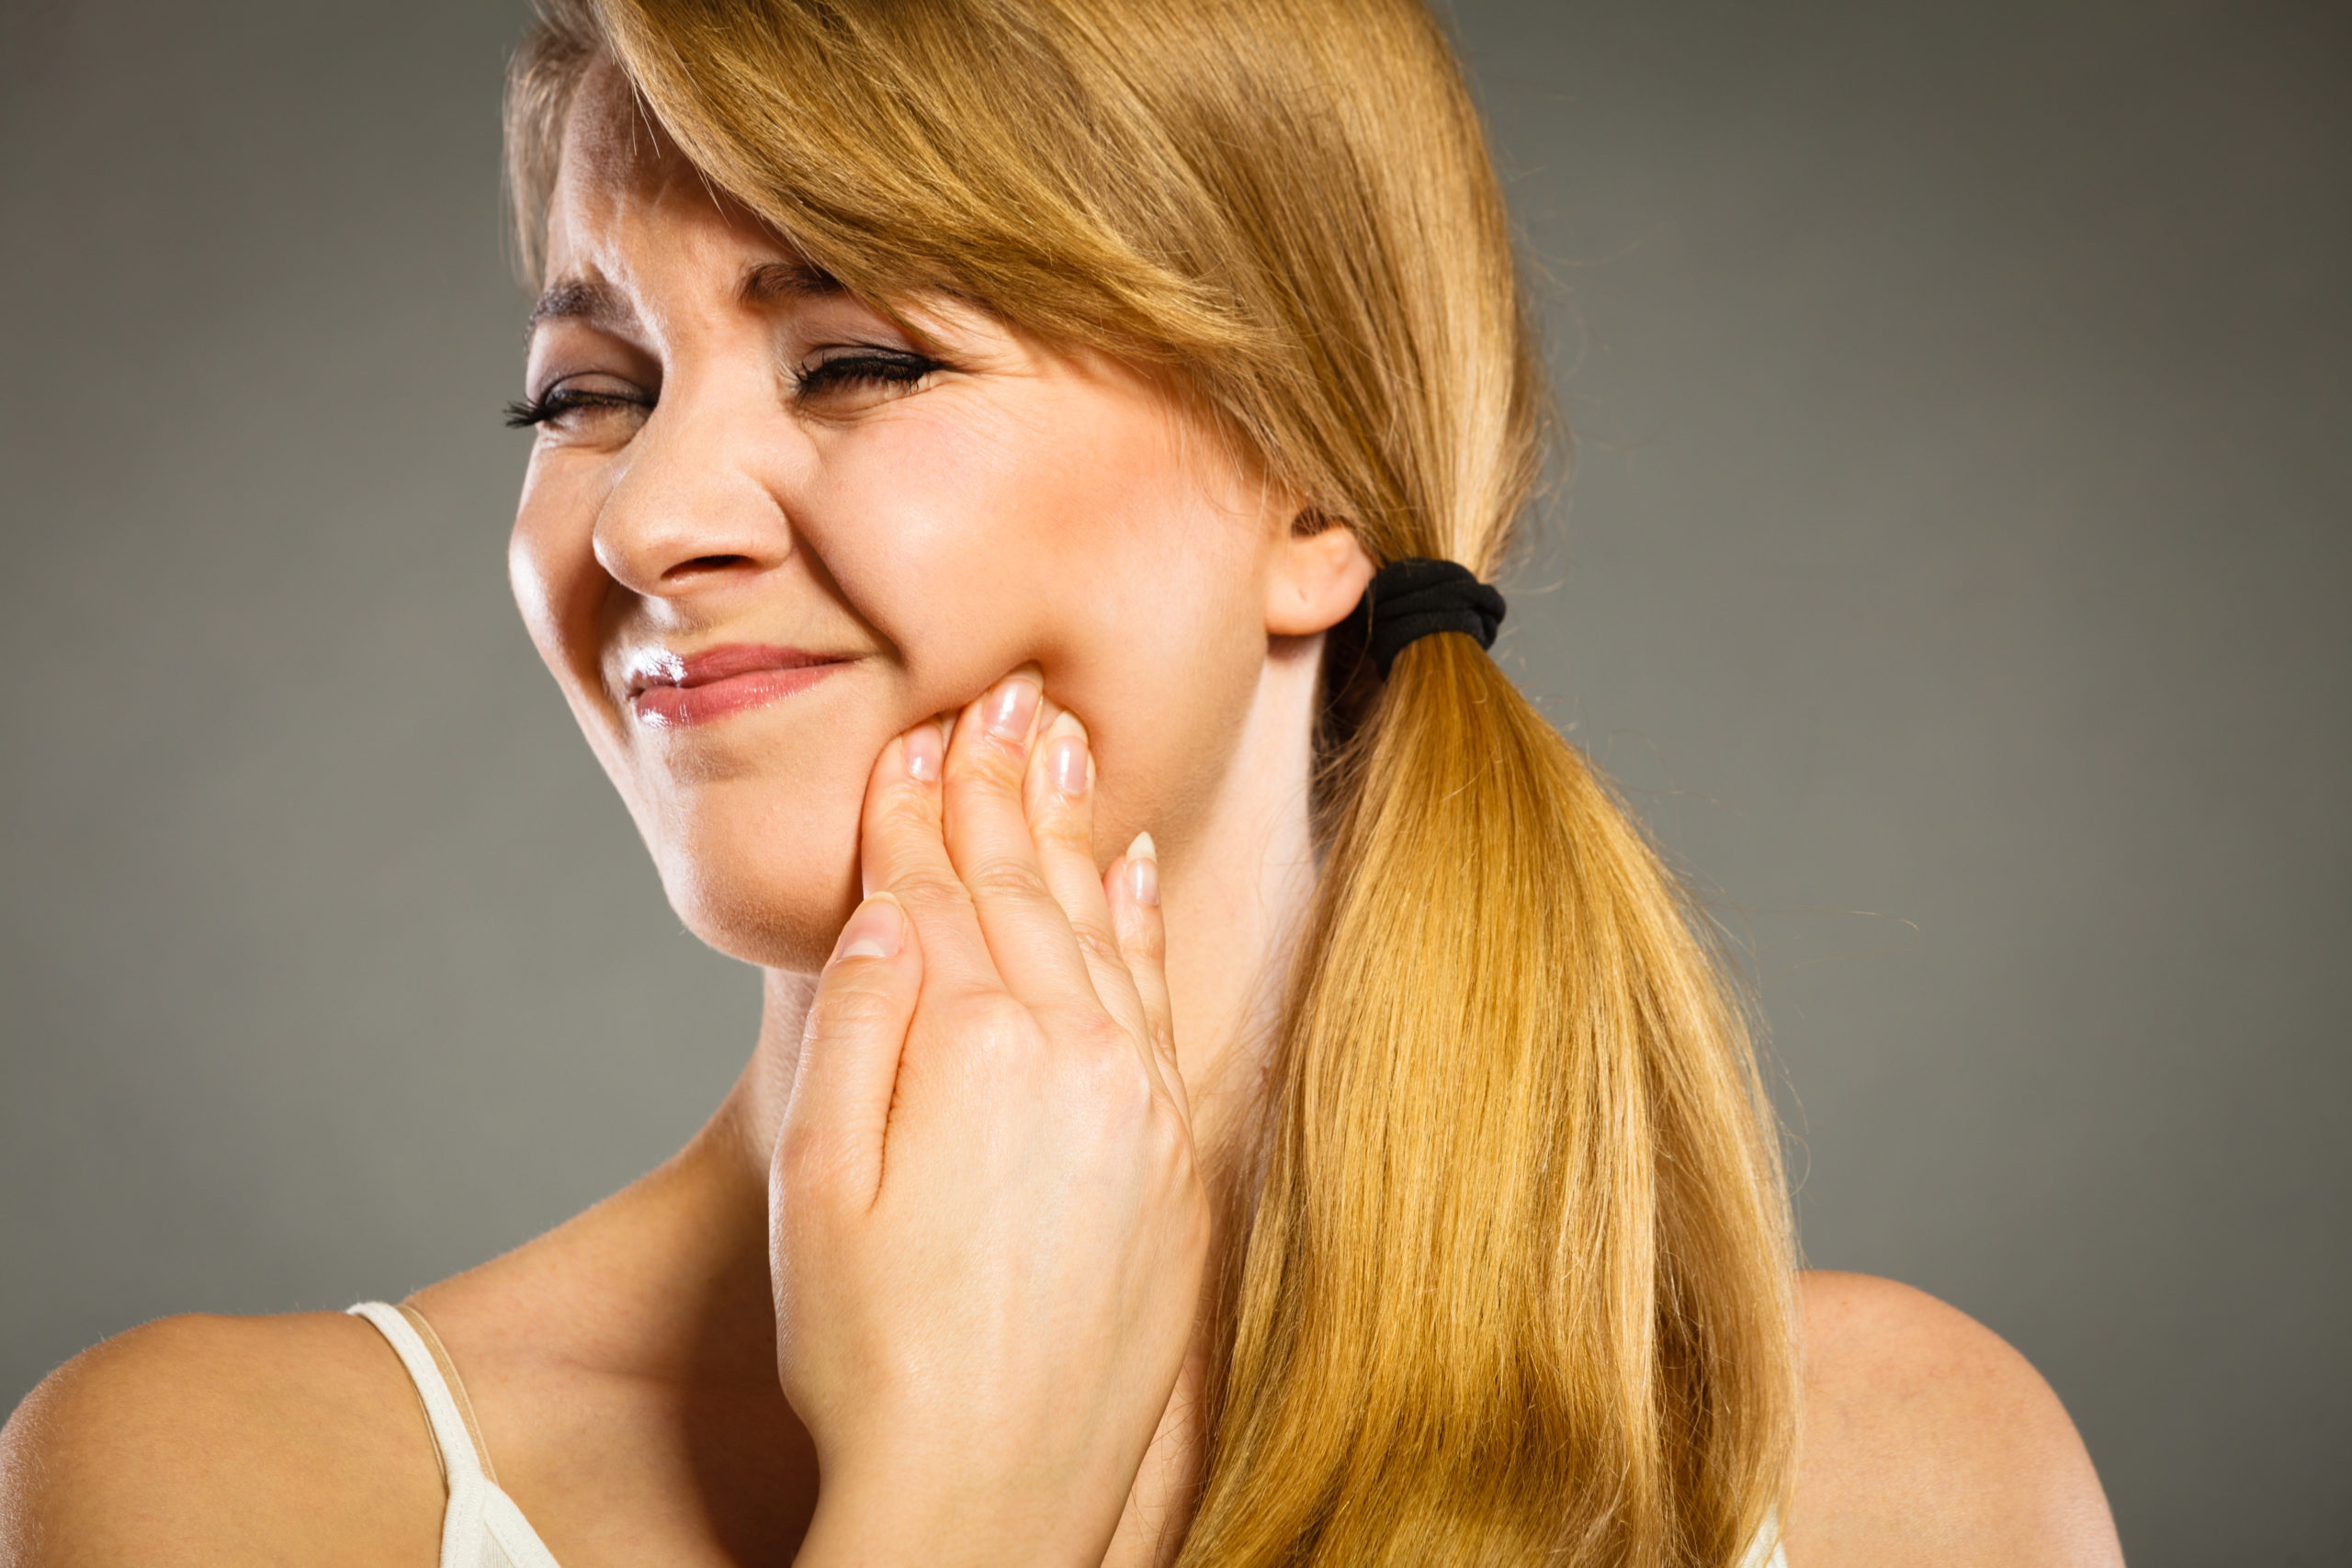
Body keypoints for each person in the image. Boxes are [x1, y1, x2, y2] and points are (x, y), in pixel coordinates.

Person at [0, 1, 2125, 1562]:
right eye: (587, 390)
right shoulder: (237, 1488)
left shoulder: (1888, 1474)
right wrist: (958, 1500)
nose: (644, 517)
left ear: (1308, 482)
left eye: (854, 356)